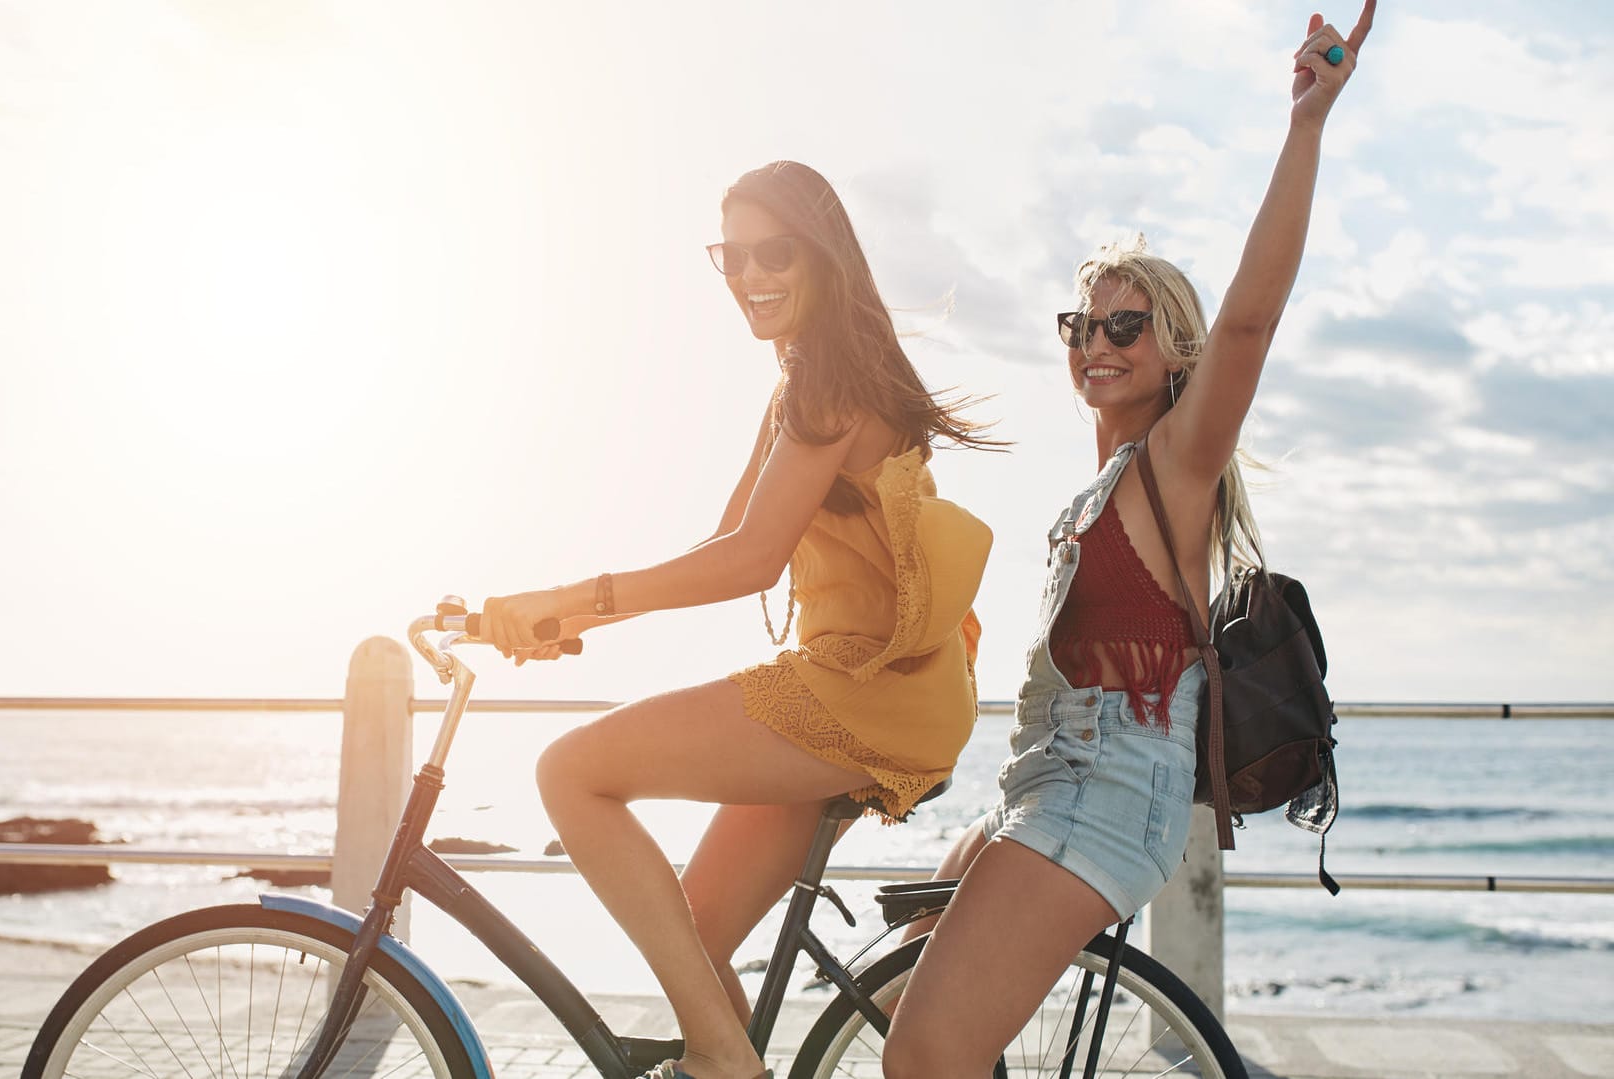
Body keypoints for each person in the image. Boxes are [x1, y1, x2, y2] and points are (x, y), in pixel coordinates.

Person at [881, 6, 1376, 1075]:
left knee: (924, 1052)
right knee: (912, 959)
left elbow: (1250, 321)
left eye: (1125, 325)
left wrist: (1307, 126)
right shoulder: (1103, 485)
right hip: (1042, 780)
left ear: (1173, 353)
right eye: (1083, 325)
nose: (1097, 343)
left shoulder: (1175, 463)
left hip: (1106, 798)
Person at [483, 159, 999, 1079]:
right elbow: (727, 535)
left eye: (776, 252)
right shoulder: (803, 381)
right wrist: (568, 619)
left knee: (570, 770)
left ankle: (725, 1063)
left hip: (859, 692)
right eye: (733, 256)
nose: (752, 276)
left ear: (823, 257)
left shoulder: (830, 384)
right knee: (695, 942)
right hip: (879, 687)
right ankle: (722, 1054)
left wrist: (573, 599)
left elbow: (752, 560)